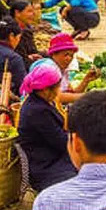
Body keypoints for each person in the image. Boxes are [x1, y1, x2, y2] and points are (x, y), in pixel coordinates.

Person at [17, 61, 77, 192]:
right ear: (45, 90)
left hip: (54, 157)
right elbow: (62, 142)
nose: (58, 92)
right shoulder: (37, 111)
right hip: (46, 168)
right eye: (57, 88)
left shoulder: (40, 102)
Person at [34, 33, 99, 104]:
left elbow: (72, 94)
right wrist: (88, 96)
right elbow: (58, 97)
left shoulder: (63, 70)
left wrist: (86, 80)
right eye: (66, 54)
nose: (69, 58)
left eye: (71, 55)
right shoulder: (48, 69)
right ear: (53, 54)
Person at [10, 0, 41, 69]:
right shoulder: (13, 32)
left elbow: (32, 51)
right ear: (17, 13)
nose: (33, 14)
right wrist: (29, 58)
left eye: (33, 11)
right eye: (29, 11)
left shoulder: (27, 27)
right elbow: (17, 58)